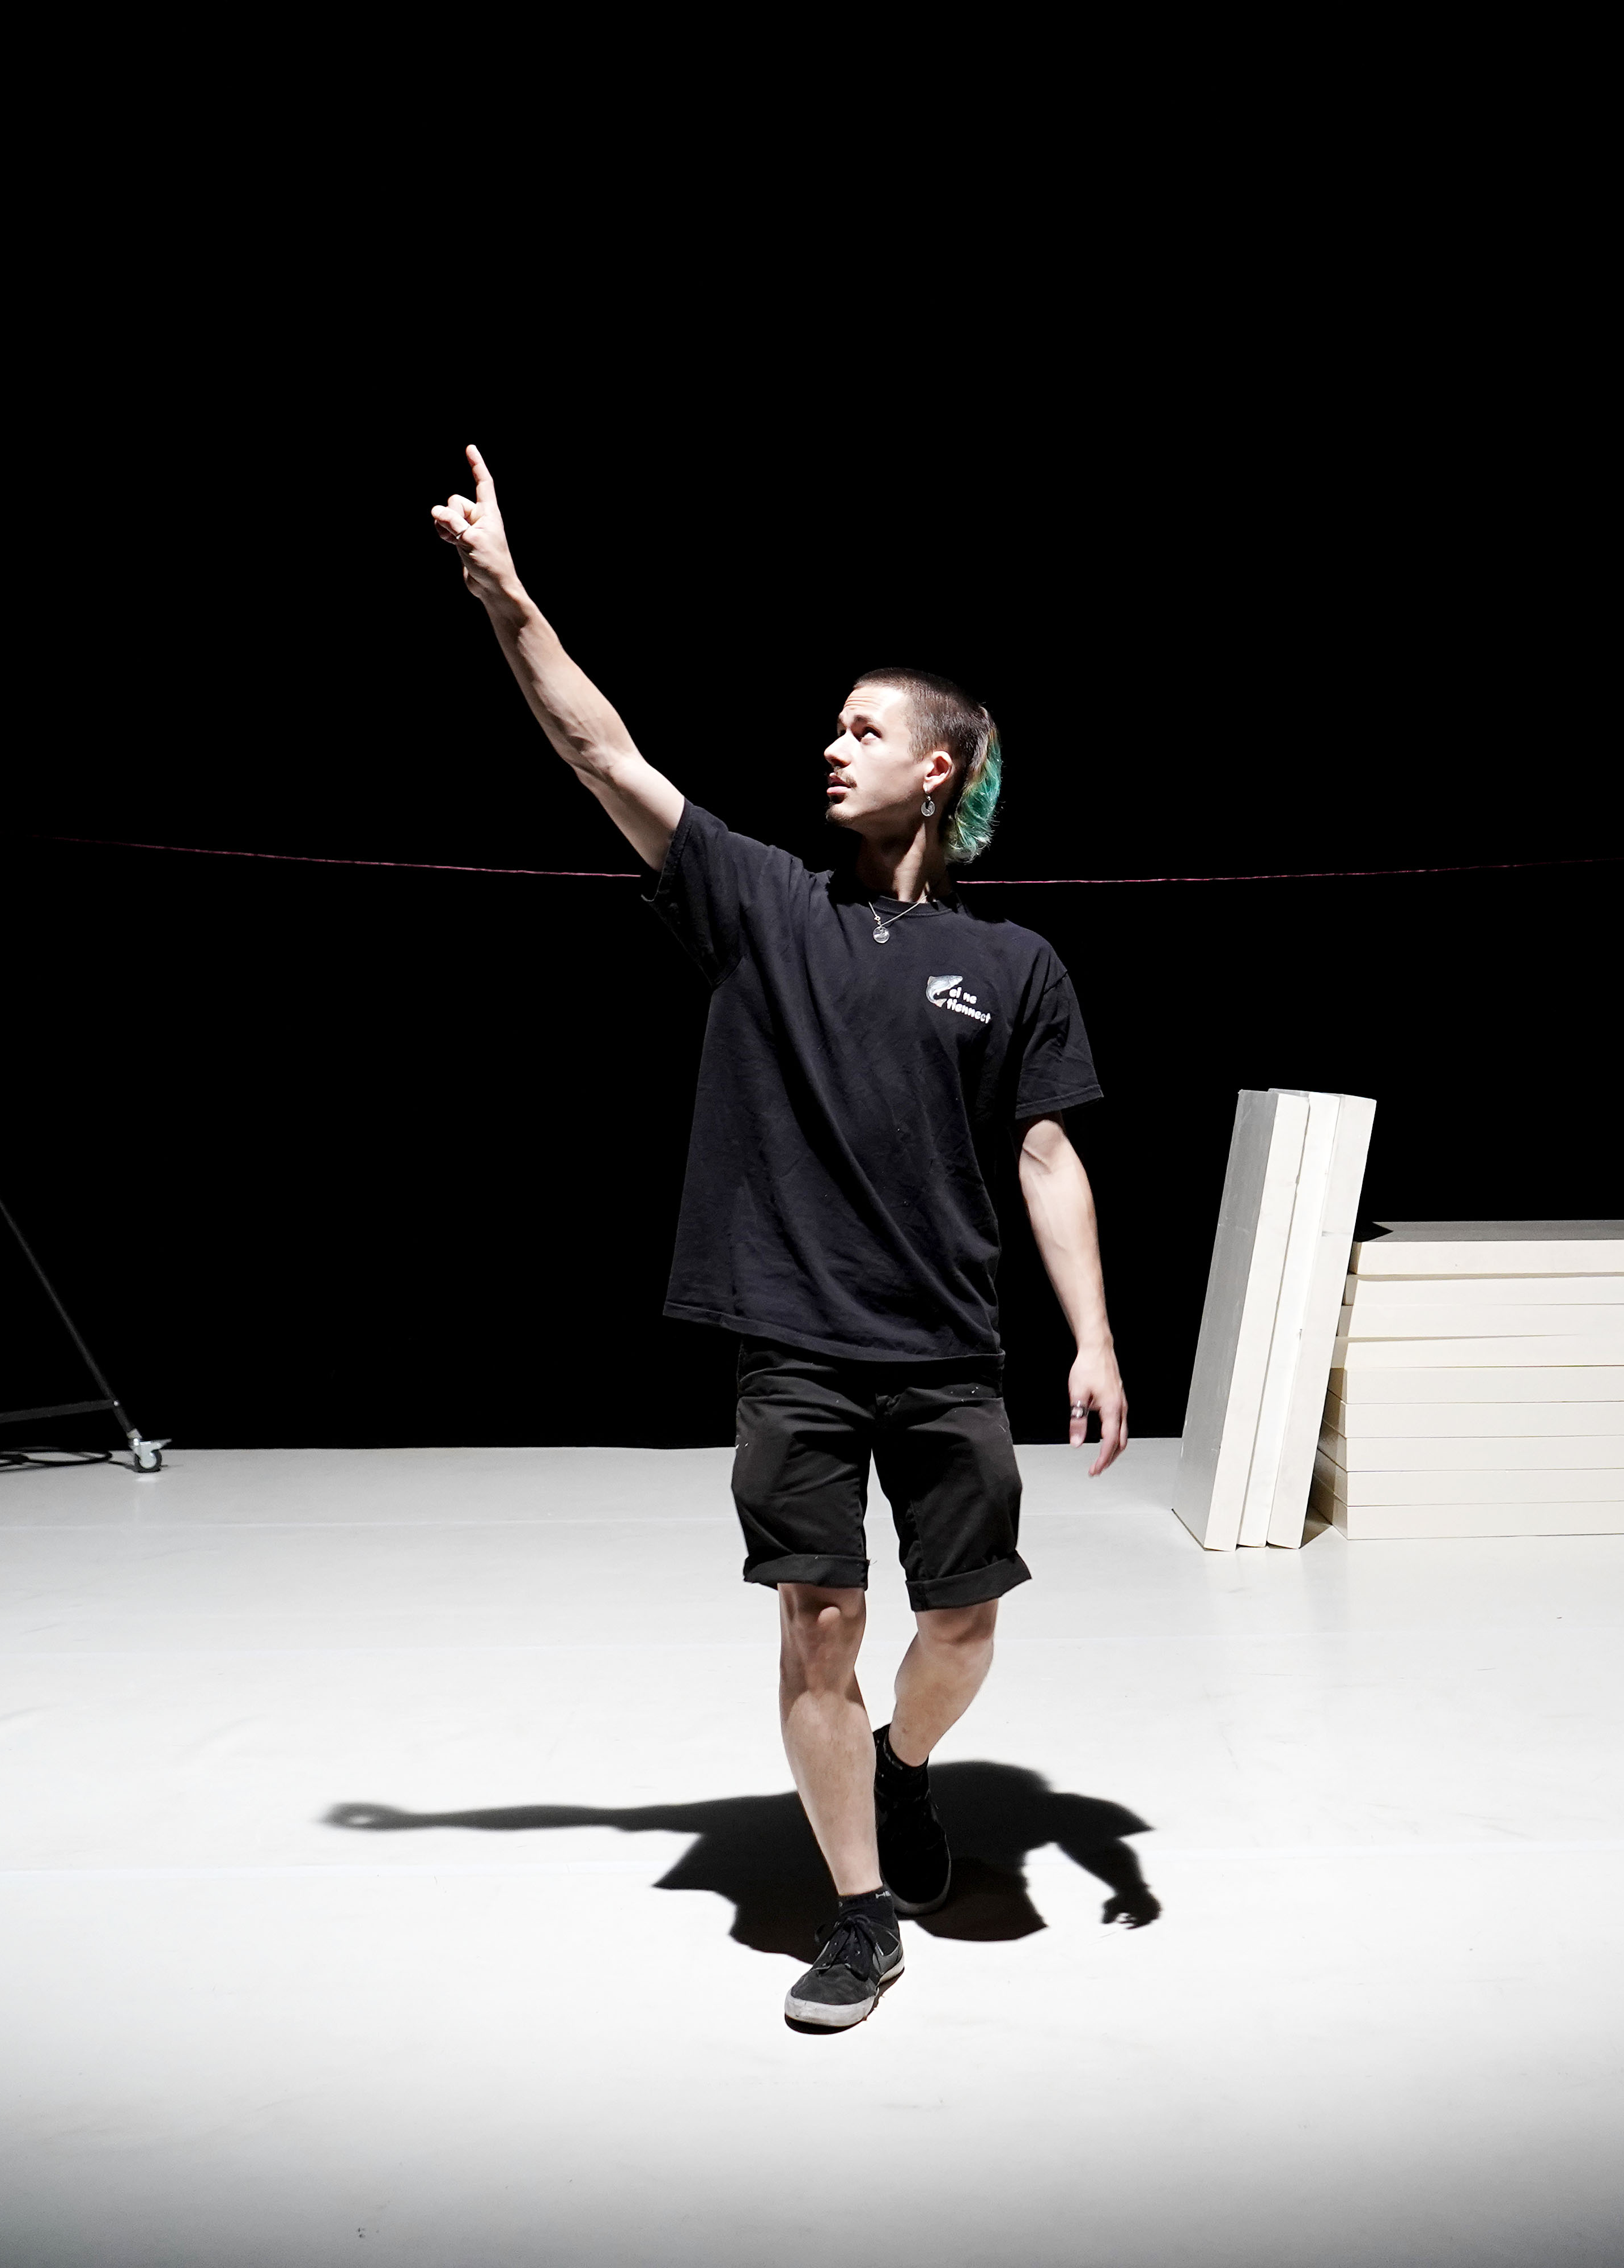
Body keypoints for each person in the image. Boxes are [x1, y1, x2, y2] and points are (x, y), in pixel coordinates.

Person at [432, 448, 1128, 2032]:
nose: (832, 745)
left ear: (940, 770)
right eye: (833, 726)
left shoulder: (1015, 962)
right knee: (821, 1622)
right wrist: (508, 597)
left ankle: (903, 1764)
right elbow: (602, 752)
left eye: (865, 730)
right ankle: (862, 1911)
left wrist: (1091, 1336)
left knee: (961, 1627)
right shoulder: (763, 904)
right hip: (796, 1341)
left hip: (948, 1343)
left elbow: (1047, 1152)